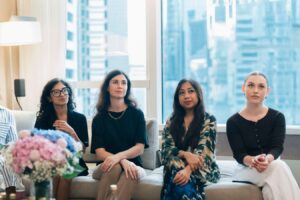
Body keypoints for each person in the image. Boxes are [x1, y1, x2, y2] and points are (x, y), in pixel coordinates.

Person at [226, 71, 300, 200]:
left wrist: (267, 160)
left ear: (267, 91)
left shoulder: (277, 117)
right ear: (243, 88)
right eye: (251, 85)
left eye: (261, 86)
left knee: (270, 188)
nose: (255, 90)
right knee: (279, 166)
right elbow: (239, 154)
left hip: (272, 165)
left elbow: (277, 147)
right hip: (246, 170)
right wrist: (253, 161)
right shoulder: (233, 122)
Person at [91, 70, 148, 200]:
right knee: (114, 166)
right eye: (115, 82)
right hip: (107, 165)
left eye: (124, 83)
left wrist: (121, 159)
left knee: (131, 172)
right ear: (107, 87)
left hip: (134, 165)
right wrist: (121, 160)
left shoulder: (137, 114)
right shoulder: (99, 118)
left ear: (127, 88)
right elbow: (100, 153)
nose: (120, 86)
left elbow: (139, 148)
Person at [161, 79, 220, 200]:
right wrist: (186, 154)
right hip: (174, 166)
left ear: (198, 94)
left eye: (191, 91)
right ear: (177, 98)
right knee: (176, 171)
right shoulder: (171, 121)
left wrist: (187, 171)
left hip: (202, 168)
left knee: (177, 180)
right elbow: (166, 150)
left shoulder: (209, 120)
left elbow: (205, 153)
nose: (186, 96)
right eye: (182, 93)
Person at [34, 78, 89, 200]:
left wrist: (72, 132)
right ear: (49, 98)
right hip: (51, 161)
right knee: (56, 172)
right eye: (56, 92)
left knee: (65, 173)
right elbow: (38, 147)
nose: (62, 94)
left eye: (64, 90)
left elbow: (82, 151)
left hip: (74, 162)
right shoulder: (43, 120)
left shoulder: (80, 118)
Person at [0, 105, 23, 196]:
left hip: (2, 152)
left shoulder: (7, 113)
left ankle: (11, 195)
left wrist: (5, 150)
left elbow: (13, 141)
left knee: (8, 161)